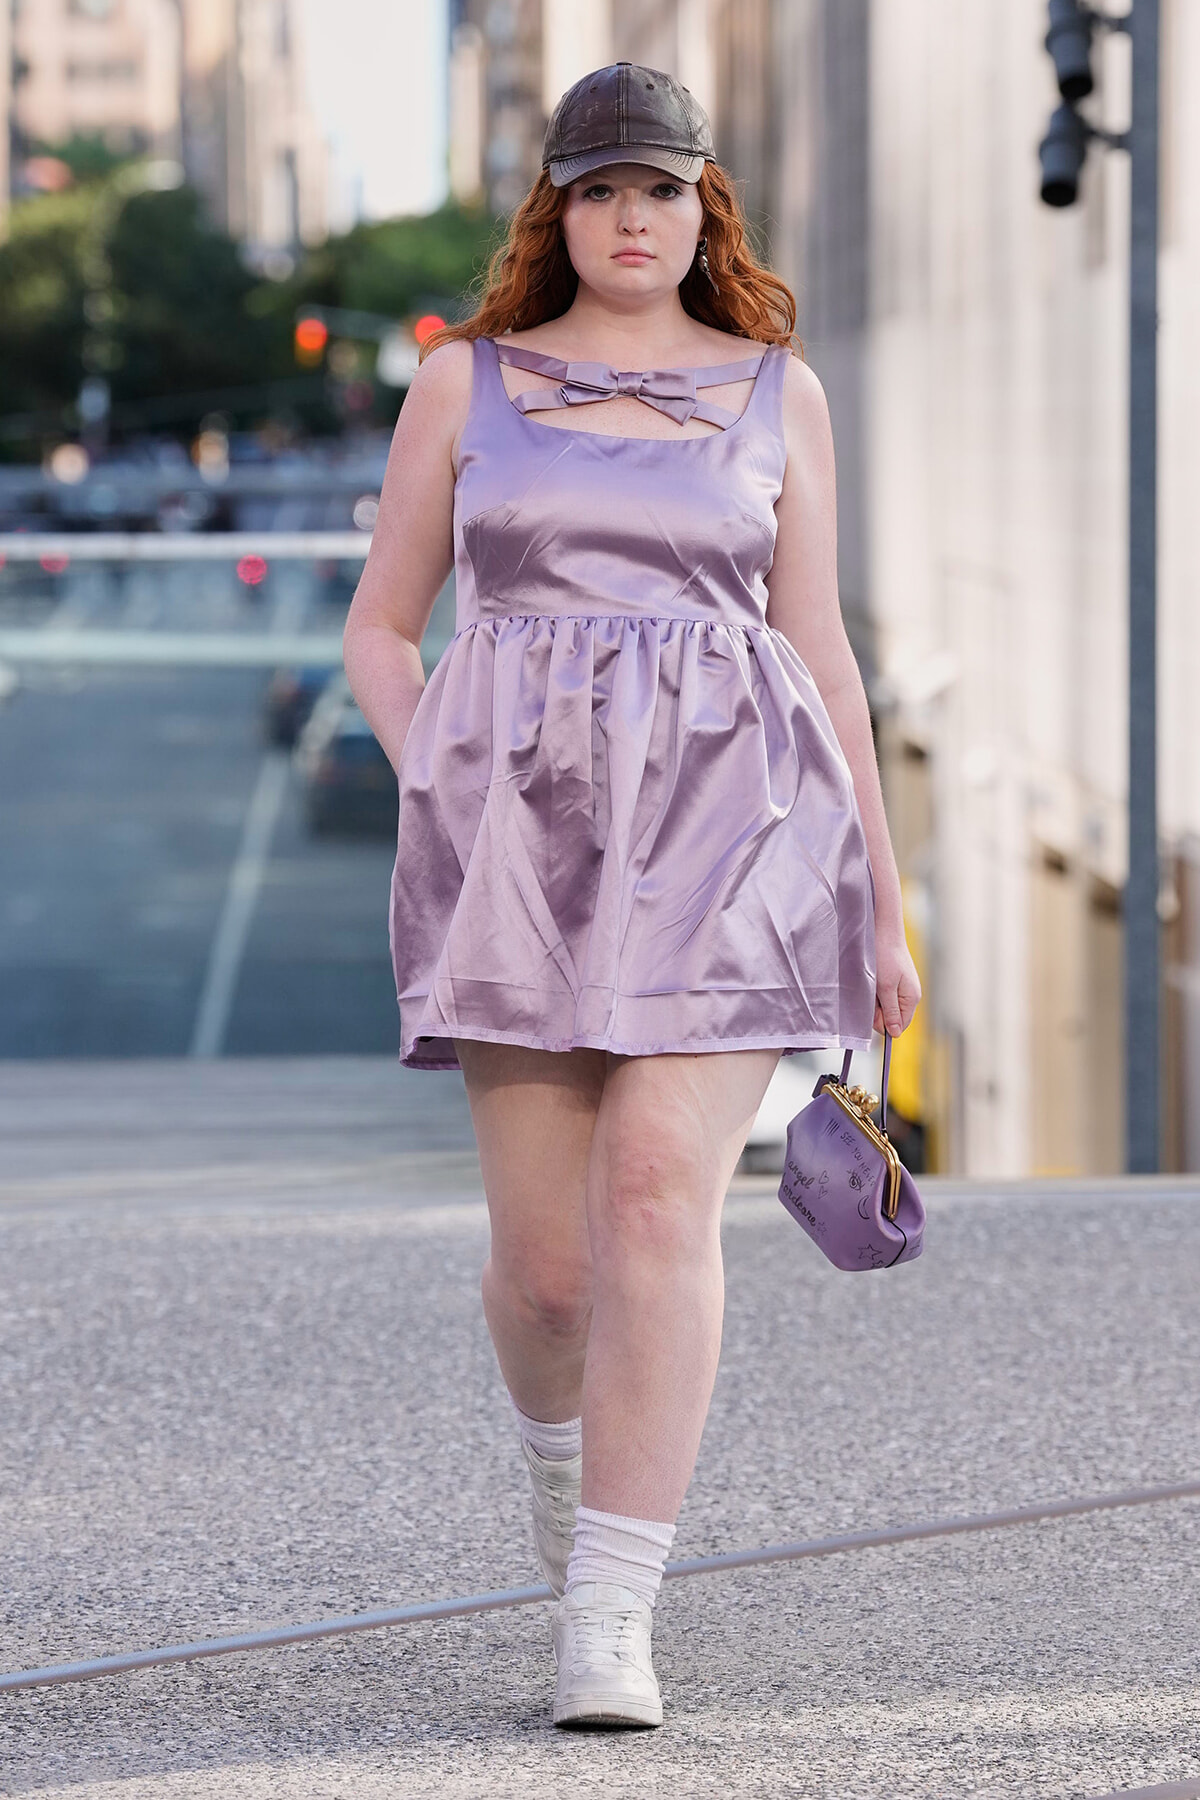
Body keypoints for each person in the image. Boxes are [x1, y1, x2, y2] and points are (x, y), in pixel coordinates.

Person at [343, 60, 921, 1731]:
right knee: (549, 1280)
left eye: (661, 189)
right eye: (603, 191)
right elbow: (384, 625)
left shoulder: (776, 391)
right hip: (514, 846)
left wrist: (879, 894)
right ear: (561, 211)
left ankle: (612, 1609)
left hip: (738, 835)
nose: (634, 218)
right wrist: (431, 755)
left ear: (701, 207)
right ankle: (560, 1463)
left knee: (664, 1194)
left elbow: (820, 647)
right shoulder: (467, 386)